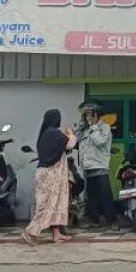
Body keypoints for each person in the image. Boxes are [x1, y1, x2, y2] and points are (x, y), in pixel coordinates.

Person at [22, 109, 77, 246]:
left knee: (54, 204)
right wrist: (70, 134)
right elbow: (70, 144)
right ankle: (30, 232)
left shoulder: (45, 134)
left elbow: (62, 148)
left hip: (46, 173)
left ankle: (57, 234)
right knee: (46, 206)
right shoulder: (54, 133)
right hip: (50, 175)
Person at [78, 101, 118, 230]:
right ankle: (94, 220)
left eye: (90, 114)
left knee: (106, 196)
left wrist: (93, 127)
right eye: (85, 115)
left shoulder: (104, 127)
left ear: (96, 115)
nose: (87, 117)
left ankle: (112, 221)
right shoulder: (85, 130)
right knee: (91, 198)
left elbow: (100, 142)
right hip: (88, 168)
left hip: (100, 167)